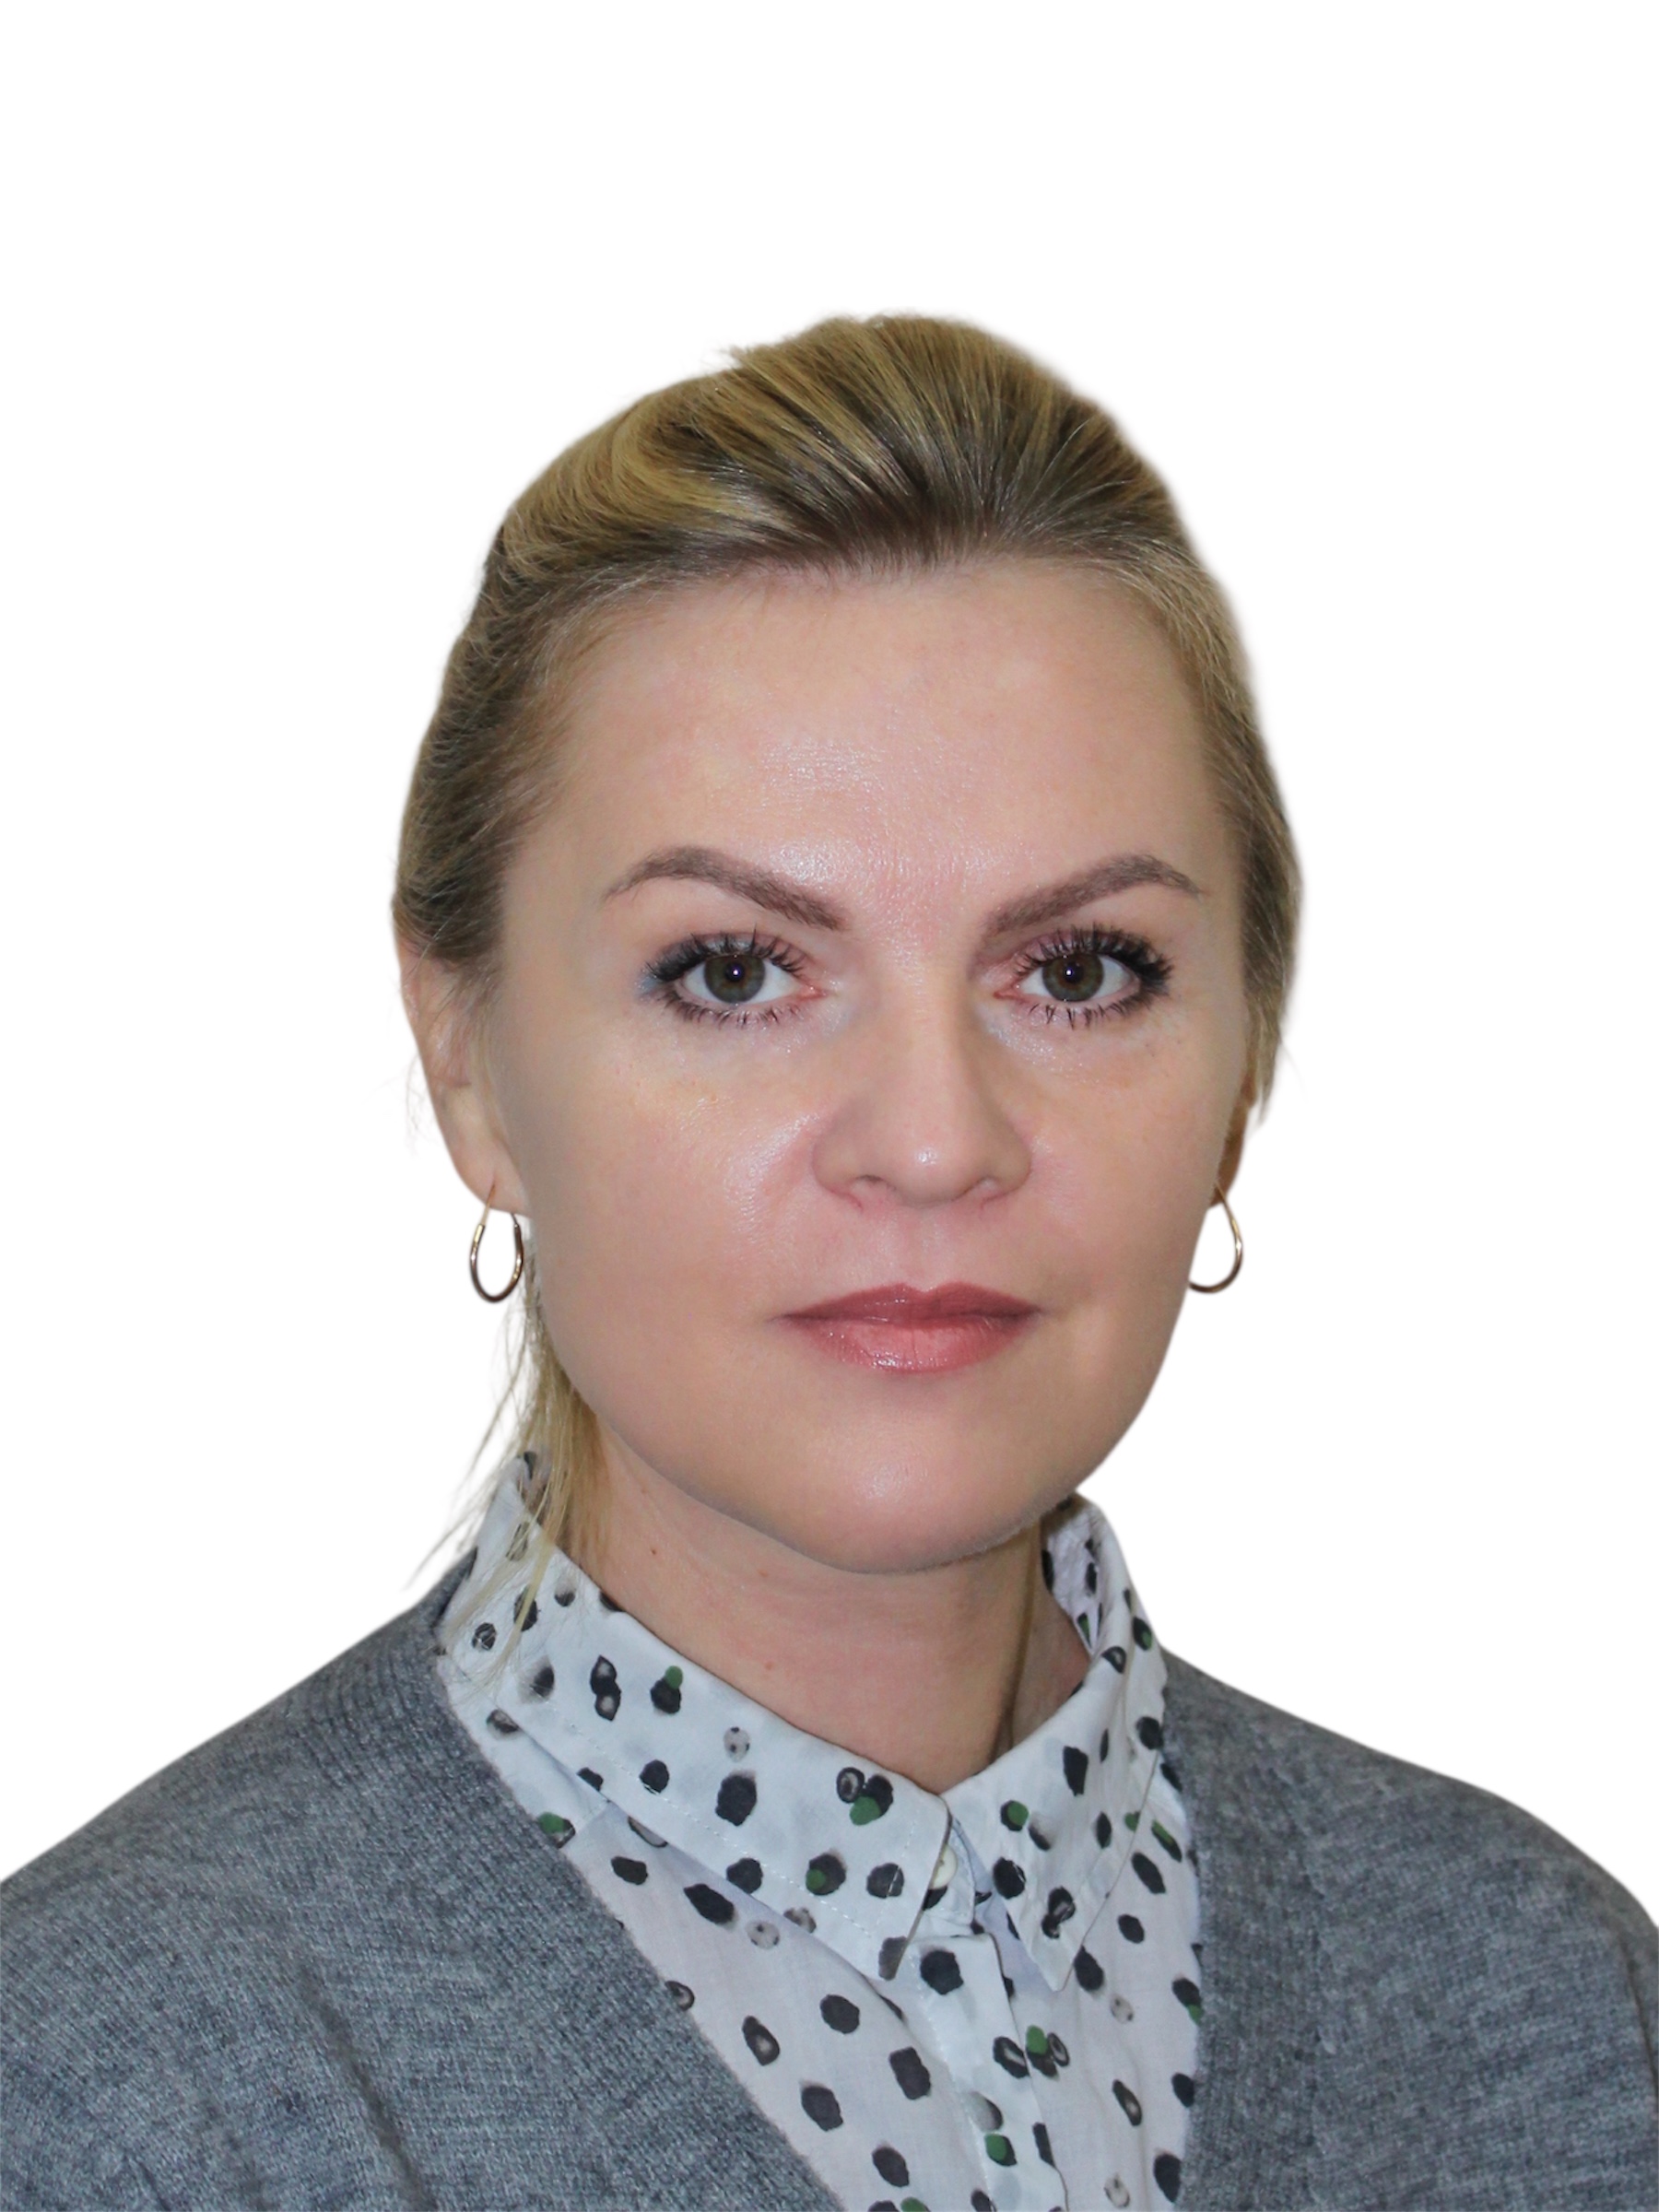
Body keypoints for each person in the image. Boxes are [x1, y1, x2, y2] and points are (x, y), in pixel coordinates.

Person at [3, 316, 1653, 2212]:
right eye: (734, 971)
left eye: (1080, 969)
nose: (935, 1140)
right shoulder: (108, 2097)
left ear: (1242, 1065)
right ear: (467, 1060)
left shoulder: (1556, 2007)